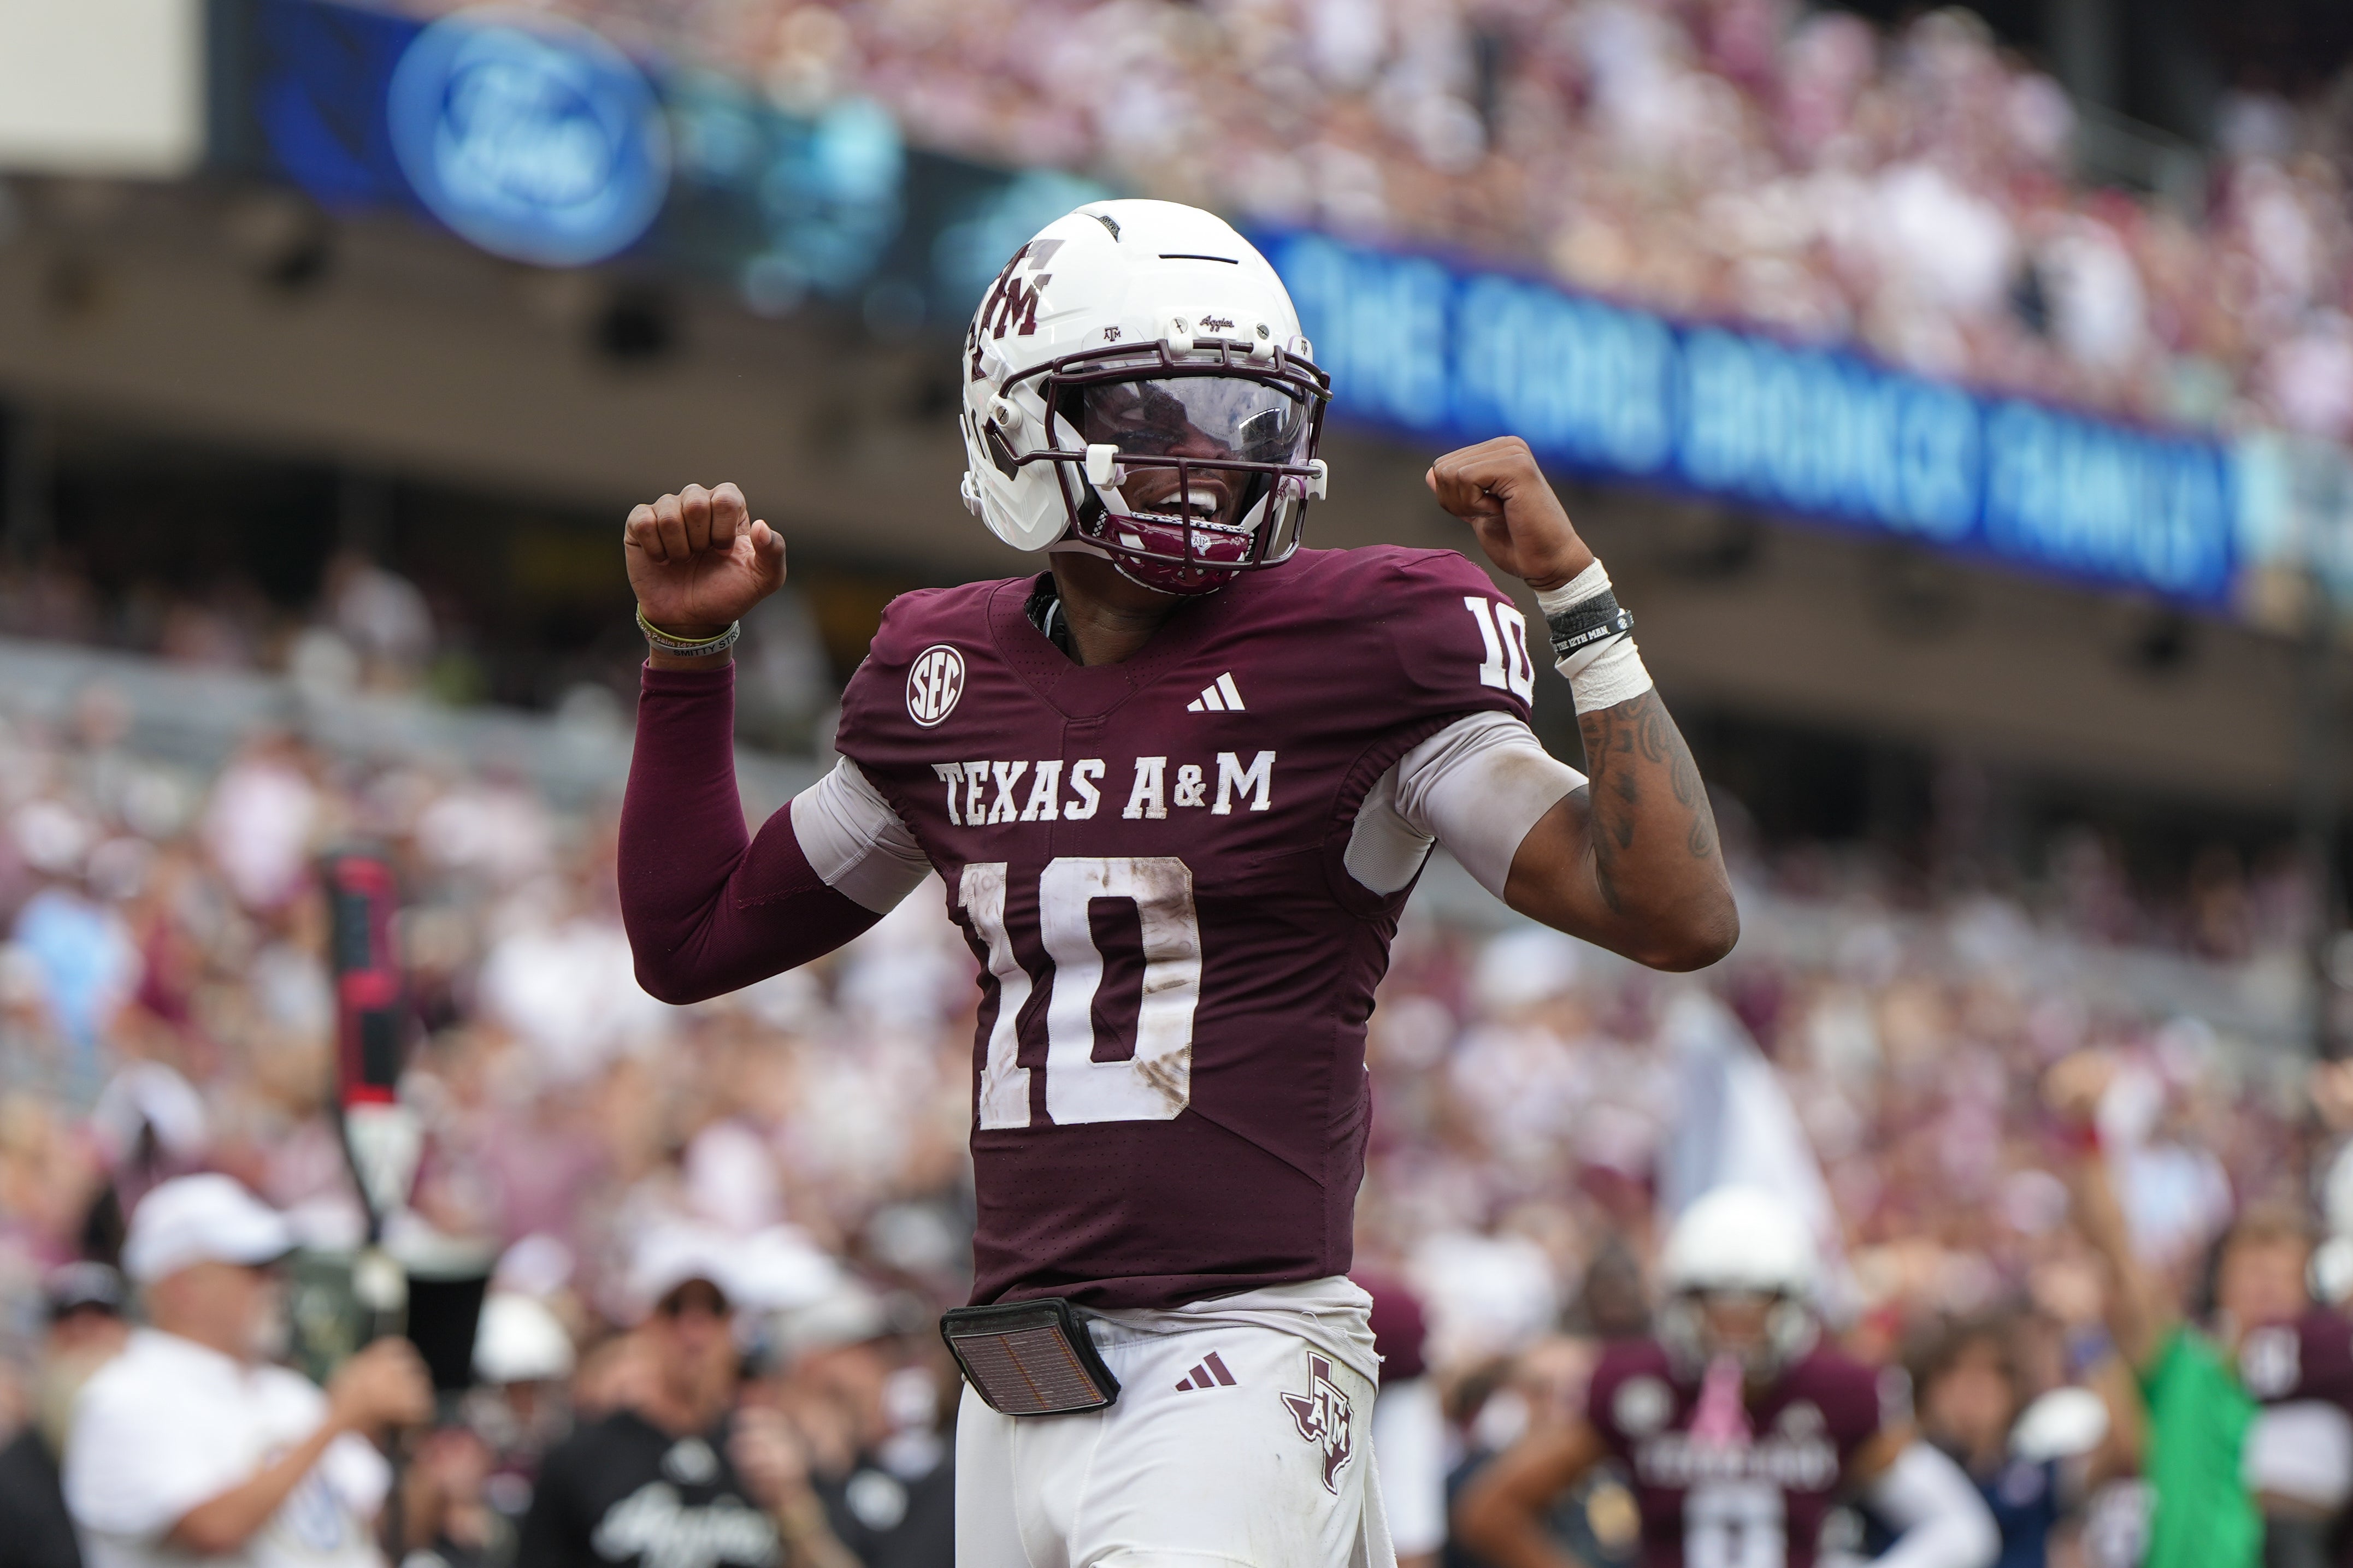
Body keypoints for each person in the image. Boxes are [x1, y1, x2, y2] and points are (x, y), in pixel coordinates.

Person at [616, 197, 1738, 1566]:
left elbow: (1674, 912)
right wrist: (685, 667)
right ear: (1017, 424)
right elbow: (689, 939)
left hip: (1242, 1341)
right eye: (1159, 415)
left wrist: (1578, 602)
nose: (1213, 460)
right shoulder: (942, 678)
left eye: (1247, 416)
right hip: (1022, 1368)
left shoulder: (1363, 646)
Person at [1454, 1186, 1998, 1568]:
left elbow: (1959, 1530)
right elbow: (1490, 1511)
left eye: (1753, 1306)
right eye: (1716, 1305)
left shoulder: (1839, 1391)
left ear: (1790, 1302)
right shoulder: (1637, 1386)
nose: (1733, 1328)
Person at [2053, 1054, 2353, 1568]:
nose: (2263, 1286)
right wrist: (2088, 1134)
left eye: (2280, 1273)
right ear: (2220, 1280)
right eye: (2249, 1268)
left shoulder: (2329, 1369)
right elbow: (2114, 1249)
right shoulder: (2185, 1363)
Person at [62, 1173, 433, 1568]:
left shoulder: (288, 1392)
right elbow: (213, 1529)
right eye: (256, 1267)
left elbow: (397, 1528)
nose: (278, 1283)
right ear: (184, 1286)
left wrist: (411, 1440)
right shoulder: (123, 1397)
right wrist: (340, 1419)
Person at [516, 1232, 853, 1568]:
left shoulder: (769, 1453)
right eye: (675, 1310)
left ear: (734, 1326)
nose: (695, 1335)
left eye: (714, 1310)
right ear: (646, 1324)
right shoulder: (584, 1457)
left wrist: (793, 1506)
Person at [0, 1264, 131, 1568]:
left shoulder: (171, 1441)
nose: (84, 1332)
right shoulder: (15, 1471)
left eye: (101, 1319)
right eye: (67, 1321)